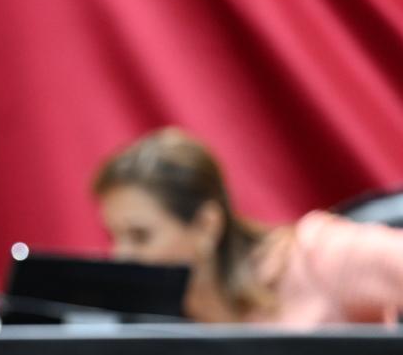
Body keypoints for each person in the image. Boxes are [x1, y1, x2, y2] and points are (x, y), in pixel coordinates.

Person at [93, 127, 403, 325]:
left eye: (140, 236)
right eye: (114, 237)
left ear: (206, 225)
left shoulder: (317, 255)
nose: (122, 256)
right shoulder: (155, 324)